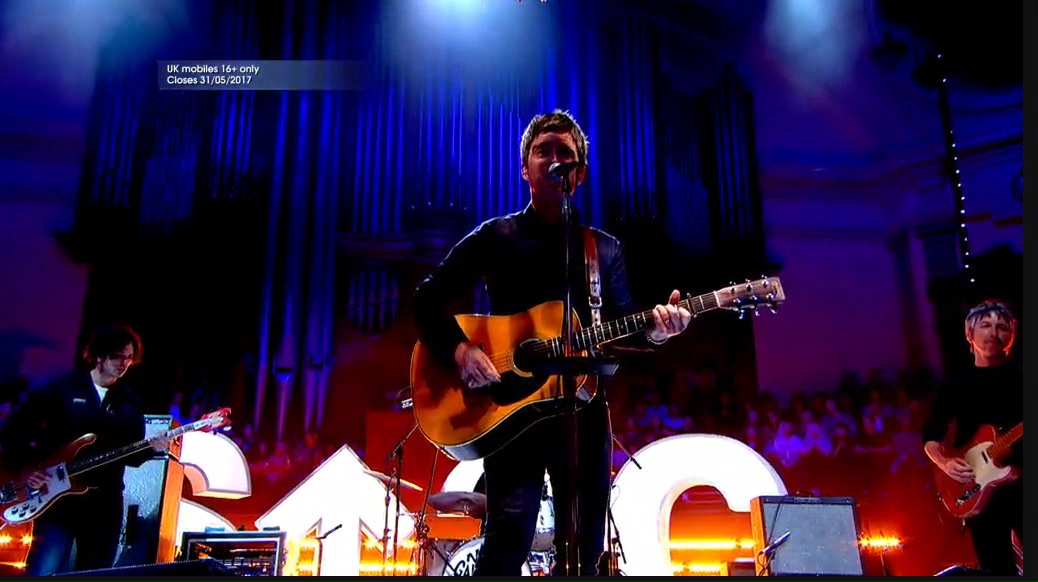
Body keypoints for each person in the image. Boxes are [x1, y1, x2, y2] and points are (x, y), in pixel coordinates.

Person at [412, 109, 692, 576]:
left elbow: (621, 325)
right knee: (506, 544)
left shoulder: (603, 249)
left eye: (566, 153)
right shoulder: (496, 236)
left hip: (583, 413)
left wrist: (657, 331)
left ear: (579, 174)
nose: (555, 160)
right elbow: (427, 299)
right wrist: (460, 349)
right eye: (544, 151)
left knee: (584, 553)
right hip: (509, 412)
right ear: (526, 168)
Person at [0, 323, 170, 575]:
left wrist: (152, 448)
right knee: (45, 567)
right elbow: (14, 432)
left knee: (96, 571)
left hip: (105, 502)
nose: (124, 363)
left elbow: (131, 456)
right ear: (99, 356)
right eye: (117, 356)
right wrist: (28, 469)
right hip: (58, 500)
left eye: (129, 357)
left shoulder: (129, 401)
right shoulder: (61, 389)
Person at [922, 300, 1023, 575]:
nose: (993, 332)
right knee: (996, 568)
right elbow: (931, 436)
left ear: (1011, 335)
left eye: (1001, 327)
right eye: (986, 325)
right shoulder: (956, 384)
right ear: (970, 333)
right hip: (980, 489)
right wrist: (945, 463)